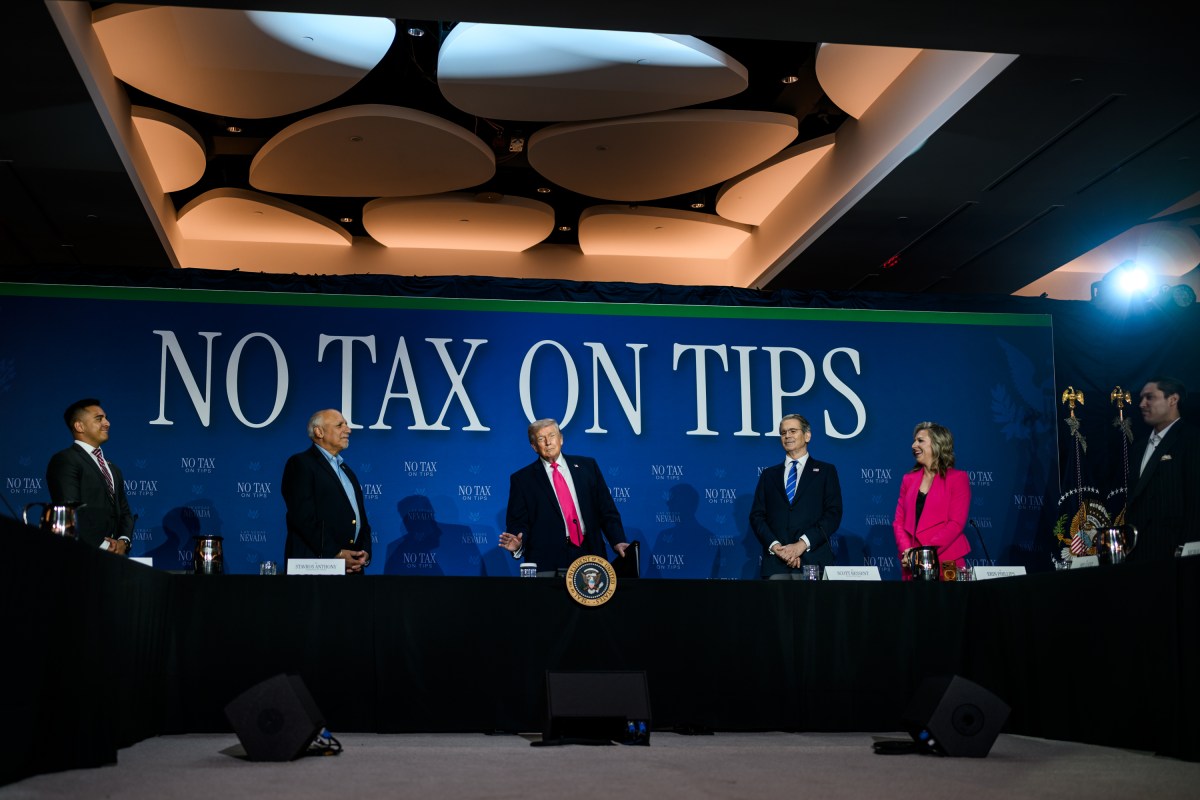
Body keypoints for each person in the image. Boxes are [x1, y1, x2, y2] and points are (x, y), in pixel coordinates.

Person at [499, 419, 628, 575]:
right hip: (547, 560)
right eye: (541, 439)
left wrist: (617, 540)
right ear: (534, 446)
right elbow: (518, 522)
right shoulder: (522, 479)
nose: (548, 442)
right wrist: (518, 546)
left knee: (592, 596)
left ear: (561, 439)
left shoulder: (588, 467)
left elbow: (606, 510)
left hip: (590, 553)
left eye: (552, 435)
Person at [750, 414, 843, 579]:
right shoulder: (768, 475)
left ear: (807, 435)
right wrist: (777, 547)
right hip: (776, 564)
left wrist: (801, 545)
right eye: (783, 432)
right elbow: (757, 516)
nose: (787, 436)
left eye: (793, 431)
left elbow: (833, 514)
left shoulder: (825, 471)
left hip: (813, 561)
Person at [281, 409, 371, 574]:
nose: (348, 430)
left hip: (351, 569)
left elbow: (361, 518)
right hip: (316, 568)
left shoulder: (347, 471)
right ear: (319, 431)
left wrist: (364, 552)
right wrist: (336, 554)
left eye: (346, 425)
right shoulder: (301, 464)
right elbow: (303, 517)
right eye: (339, 425)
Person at [1124, 377, 1200, 561]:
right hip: (1139, 554)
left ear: (1173, 399)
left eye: (1150, 397)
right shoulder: (1139, 448)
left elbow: (1196, 498)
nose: (1142, 404)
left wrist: (1187, 548)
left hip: (1175, 553)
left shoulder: (1192, 440)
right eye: (1141, 398)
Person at [45, 398, 135, 553]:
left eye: (106, 418)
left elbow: (125, 512)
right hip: (81, 556)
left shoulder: (113, 468)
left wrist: (123, 542)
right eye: (99, 419)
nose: (107, 423)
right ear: (79, 426)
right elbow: (71, 510)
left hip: (115, 560)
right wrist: (105, 547)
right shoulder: (66, 460)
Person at [893, 422, 971, 580]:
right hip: (912, 563)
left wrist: (923, 554)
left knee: (947, 604)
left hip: (947, 561)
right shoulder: (908, 479)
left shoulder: (957, 479)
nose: (914, 445)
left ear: (937, 444)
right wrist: (908, 551)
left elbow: (955, 524)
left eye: (920, 440)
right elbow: (898, 523)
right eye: (914, 440)